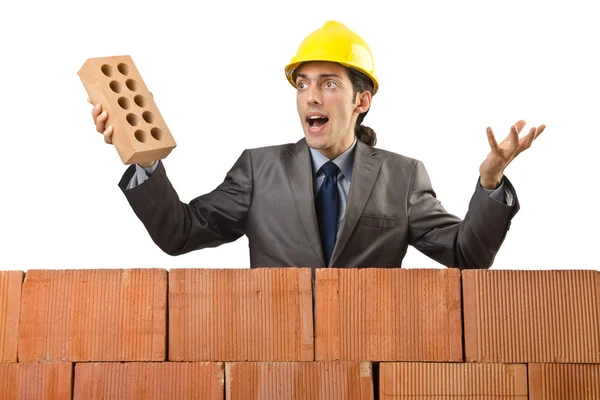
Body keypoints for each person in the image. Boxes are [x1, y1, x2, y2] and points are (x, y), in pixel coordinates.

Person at [90, 21, 544, 270]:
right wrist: (143, 159)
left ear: (361, 100)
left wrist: (490, 182)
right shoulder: (257, 170)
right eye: (303, 84)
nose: (311, 96)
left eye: (329, 84)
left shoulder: (403, 177)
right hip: (275, 369)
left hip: (367, 369)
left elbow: (467, 255)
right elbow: (180, 233)